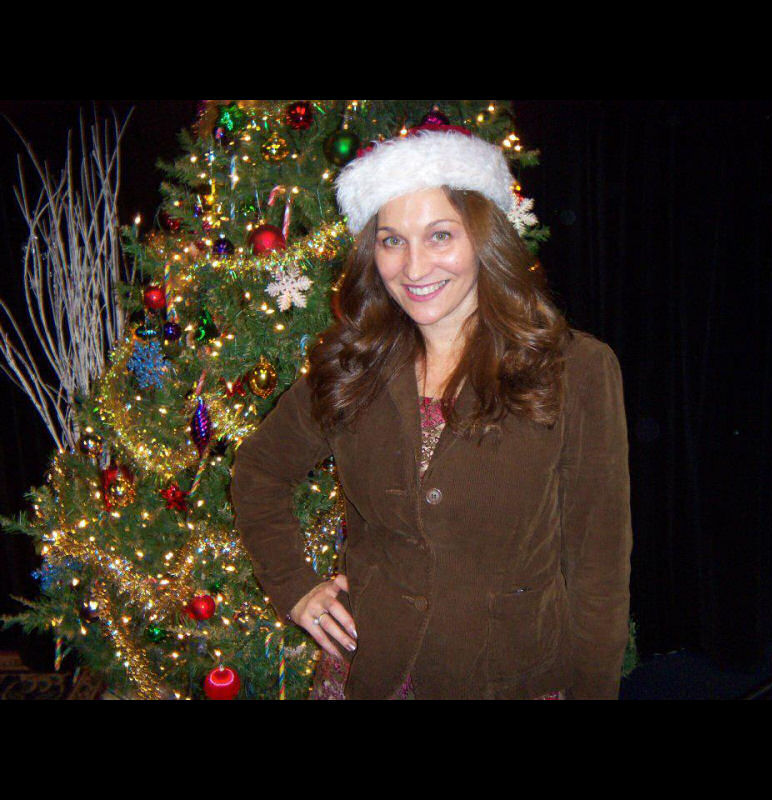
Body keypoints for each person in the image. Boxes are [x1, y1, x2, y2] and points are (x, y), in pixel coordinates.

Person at [230, 124, 633, 700]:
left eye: (440, 235)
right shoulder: (353, 365)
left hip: (506, 678)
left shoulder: (576, 369)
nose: (414, 267)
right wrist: (294, 587)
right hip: (370, 667)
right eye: (392, 240)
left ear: (485, 239)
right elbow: (259, 471)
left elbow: (598, 569)